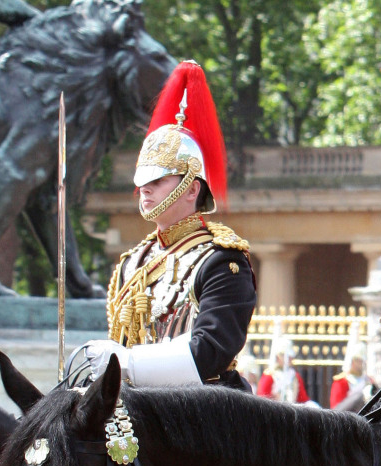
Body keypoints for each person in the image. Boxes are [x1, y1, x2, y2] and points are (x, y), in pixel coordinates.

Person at [81, 61, 256, 391]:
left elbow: (210, 353)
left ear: (192, 188)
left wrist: (129, 363)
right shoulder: (133, 261)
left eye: (158, 181)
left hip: (202, 411)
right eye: (144, 181)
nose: (145, 189)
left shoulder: (221, 261)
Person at [257, 336, 310, 404]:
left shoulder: (295, 376)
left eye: (290, 356)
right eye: (284, 356)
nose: (289, 358)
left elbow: (302, 399)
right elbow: (263, 398)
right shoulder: (270, 375)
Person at [329, 341, 374, 411]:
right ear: (352, 361)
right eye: (358, 360)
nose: (360, 363)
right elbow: (336, 407)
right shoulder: (342, 381)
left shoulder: (369, 380)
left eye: (361, 361)